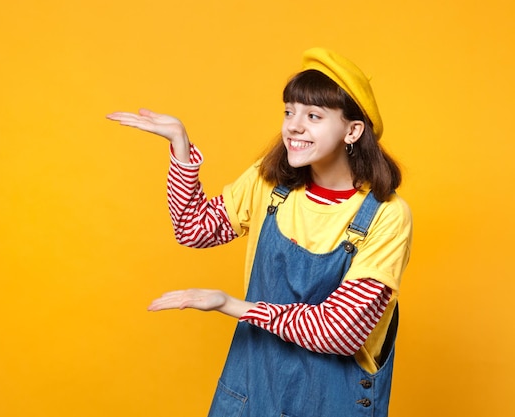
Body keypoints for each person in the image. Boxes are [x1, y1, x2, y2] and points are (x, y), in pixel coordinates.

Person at [106, 47, 412, 417]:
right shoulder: (270, 184)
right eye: (289, 112)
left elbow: (341, 331)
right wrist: (180, 147)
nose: (293, 126)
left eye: (313, 115)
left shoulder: (387, 216)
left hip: (332, 401)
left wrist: (230, 305)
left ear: (352, 130)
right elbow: (194, 228)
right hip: (253, 389)